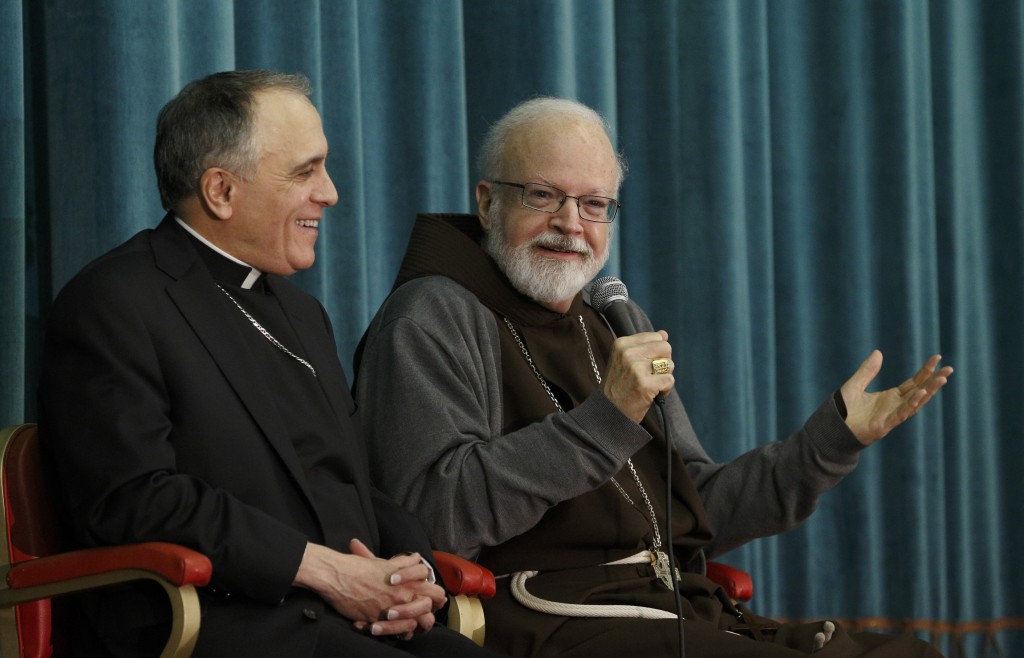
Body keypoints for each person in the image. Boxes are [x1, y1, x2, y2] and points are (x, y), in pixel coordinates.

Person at [353, 97, 953, 657]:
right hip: (547, 615)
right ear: (487, 202)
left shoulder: (612, 320)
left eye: (594, 205)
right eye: (543, 195)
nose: (571, 224)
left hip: (671, 608)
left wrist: (829, 443)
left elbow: (693, 507)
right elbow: (434, 519)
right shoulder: (431, 315)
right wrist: (607, 419)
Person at [37, 70, 503, 657]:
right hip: (221, 625)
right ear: (221, 191)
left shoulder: (301, 312)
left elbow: (354, 484)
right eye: (305, 172)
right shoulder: (115, 301)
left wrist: (414, 574)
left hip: (344, 622)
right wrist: (323, 571)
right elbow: (133, 500)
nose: (330, 193)